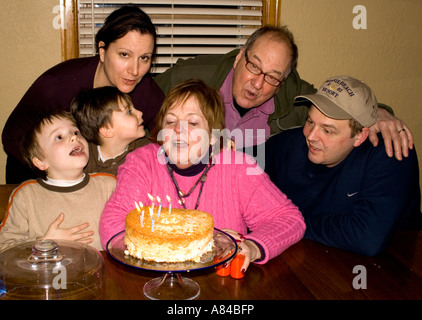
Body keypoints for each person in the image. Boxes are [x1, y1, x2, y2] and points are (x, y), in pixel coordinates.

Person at [100, 79, 305, 272]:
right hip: (154, 281)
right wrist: (199, 244)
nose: (179, 130)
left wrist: (252, 246)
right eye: (170, 121)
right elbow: (113, 223)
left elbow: (289, 219)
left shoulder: (238, 167)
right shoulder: (142, 162)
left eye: (193, 123)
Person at [154, 25, 413, 158]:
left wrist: (378, 113)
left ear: (284, 80)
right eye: (254, 66)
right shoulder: (191, 76)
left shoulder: (294, 96)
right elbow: (134, 104)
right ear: (239, 57)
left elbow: (342, 105)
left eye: (272, 77)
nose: (257, 83)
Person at [2, 5, 164, 183]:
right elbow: (11, 137)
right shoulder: (56, 86)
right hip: (34, 173)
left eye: (144, 58)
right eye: (124, 55)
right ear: (102, 51)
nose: (134, 71)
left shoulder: (147, 93)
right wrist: (52, 174)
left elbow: (170, 137)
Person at [263, 75, 422, 257]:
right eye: (310, 121)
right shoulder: (289, 144)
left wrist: (288, 221)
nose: (311, 136)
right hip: (311, 258)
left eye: (327, 130)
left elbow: (367, 238)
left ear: (360, 136)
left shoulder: (390, 153)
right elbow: (236, 160)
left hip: (392, 268)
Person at [0, 111, 116, 252]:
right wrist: (43, 243)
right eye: (59, 137)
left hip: (103, 271)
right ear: (41, 162)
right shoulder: (26, 195)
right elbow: (4, 249)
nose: (74, 138)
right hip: (47, 272)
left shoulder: (109, 185)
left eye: (76, 132)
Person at [70, 86, 149, 176]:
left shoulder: (147, 151)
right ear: (107, 130)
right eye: (129, 112)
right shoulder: (84, 157)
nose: (140, 113)